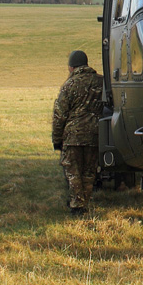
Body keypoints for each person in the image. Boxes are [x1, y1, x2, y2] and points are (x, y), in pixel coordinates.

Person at [52, 50, 104, 215]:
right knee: (89, 172)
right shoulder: (101, 82)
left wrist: (57, 139)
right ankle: (84, 203)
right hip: (95, 134)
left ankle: (77, 205)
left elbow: (59, 115)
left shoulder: (70, 85)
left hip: (73, 136)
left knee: (73, 172)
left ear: (71, 67)